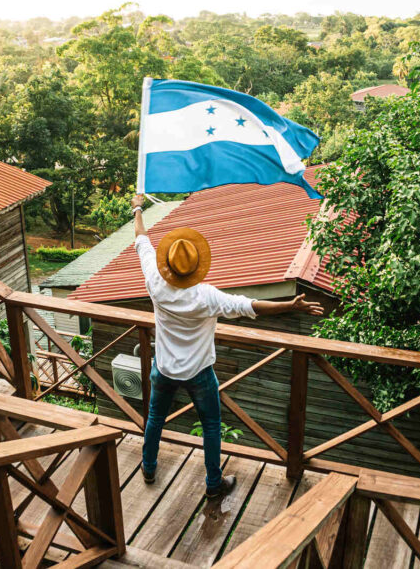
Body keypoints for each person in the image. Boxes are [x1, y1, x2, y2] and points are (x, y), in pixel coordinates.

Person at [131, 194, 324, 498]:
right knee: (210, 425)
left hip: (164, 368)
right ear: (195, 266)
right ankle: (212, 484)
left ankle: (149, 467)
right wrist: (292, 305)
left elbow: (142, 240)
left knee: (155, 418)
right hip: (198, 372)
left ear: (167, 264)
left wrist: (138, 208)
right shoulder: (206, 296)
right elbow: (249, 306)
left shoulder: (155, 283)